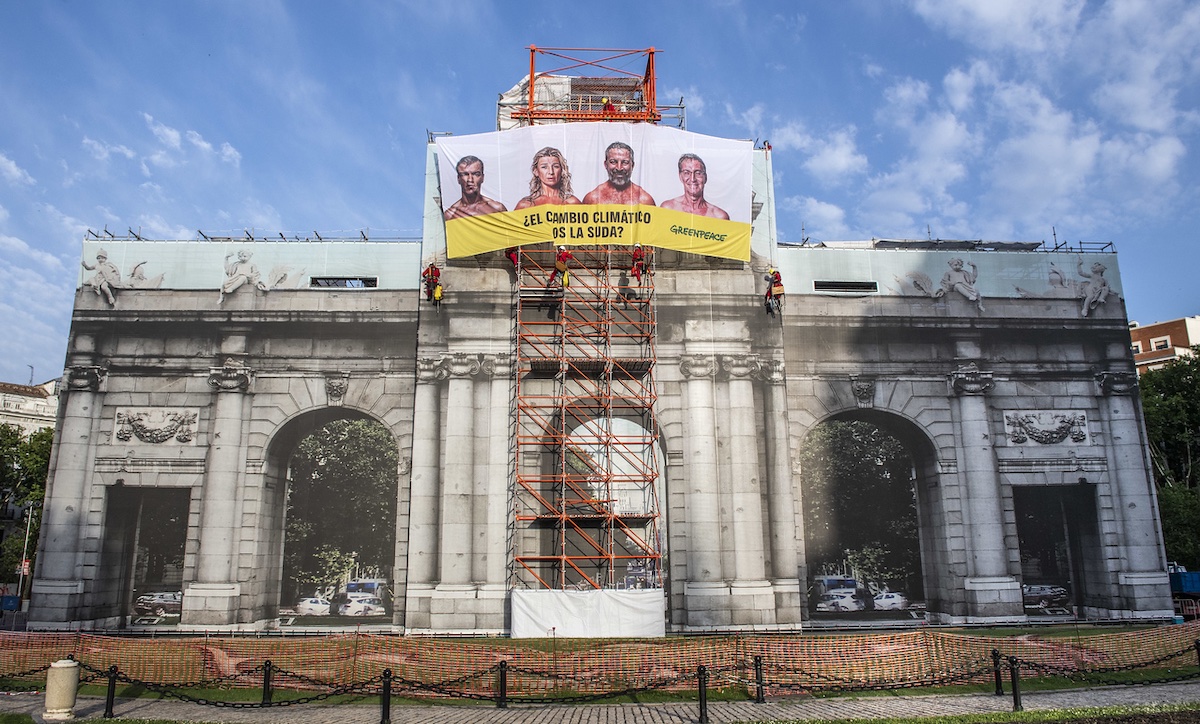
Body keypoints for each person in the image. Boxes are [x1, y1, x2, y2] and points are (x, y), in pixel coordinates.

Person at [582, 142, 656, 206]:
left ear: (632, 165)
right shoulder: (593, 198)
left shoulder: (644, 200)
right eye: (613, 162)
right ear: (605, 165)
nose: (619, 168)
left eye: (625, 162)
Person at [661, 154, 730, 220]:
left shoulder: (719, 217)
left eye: (698, 173)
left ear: (705, 177)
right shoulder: (668, 208)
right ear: (680, 177)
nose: (692, 179)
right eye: (687, 173)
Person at [443, 156, 507, 220]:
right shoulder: (450, 215)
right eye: (465, 174)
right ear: (458, 179)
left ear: (482, 178)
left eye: (476, 174)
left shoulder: (497, 208)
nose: (470, 180)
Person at [514, 147, 580, 209]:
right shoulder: (525, 205)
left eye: (556, 166)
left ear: (562, 170)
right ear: (536, 171)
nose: (551, 172)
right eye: (544, 167)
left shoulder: (572, 202)